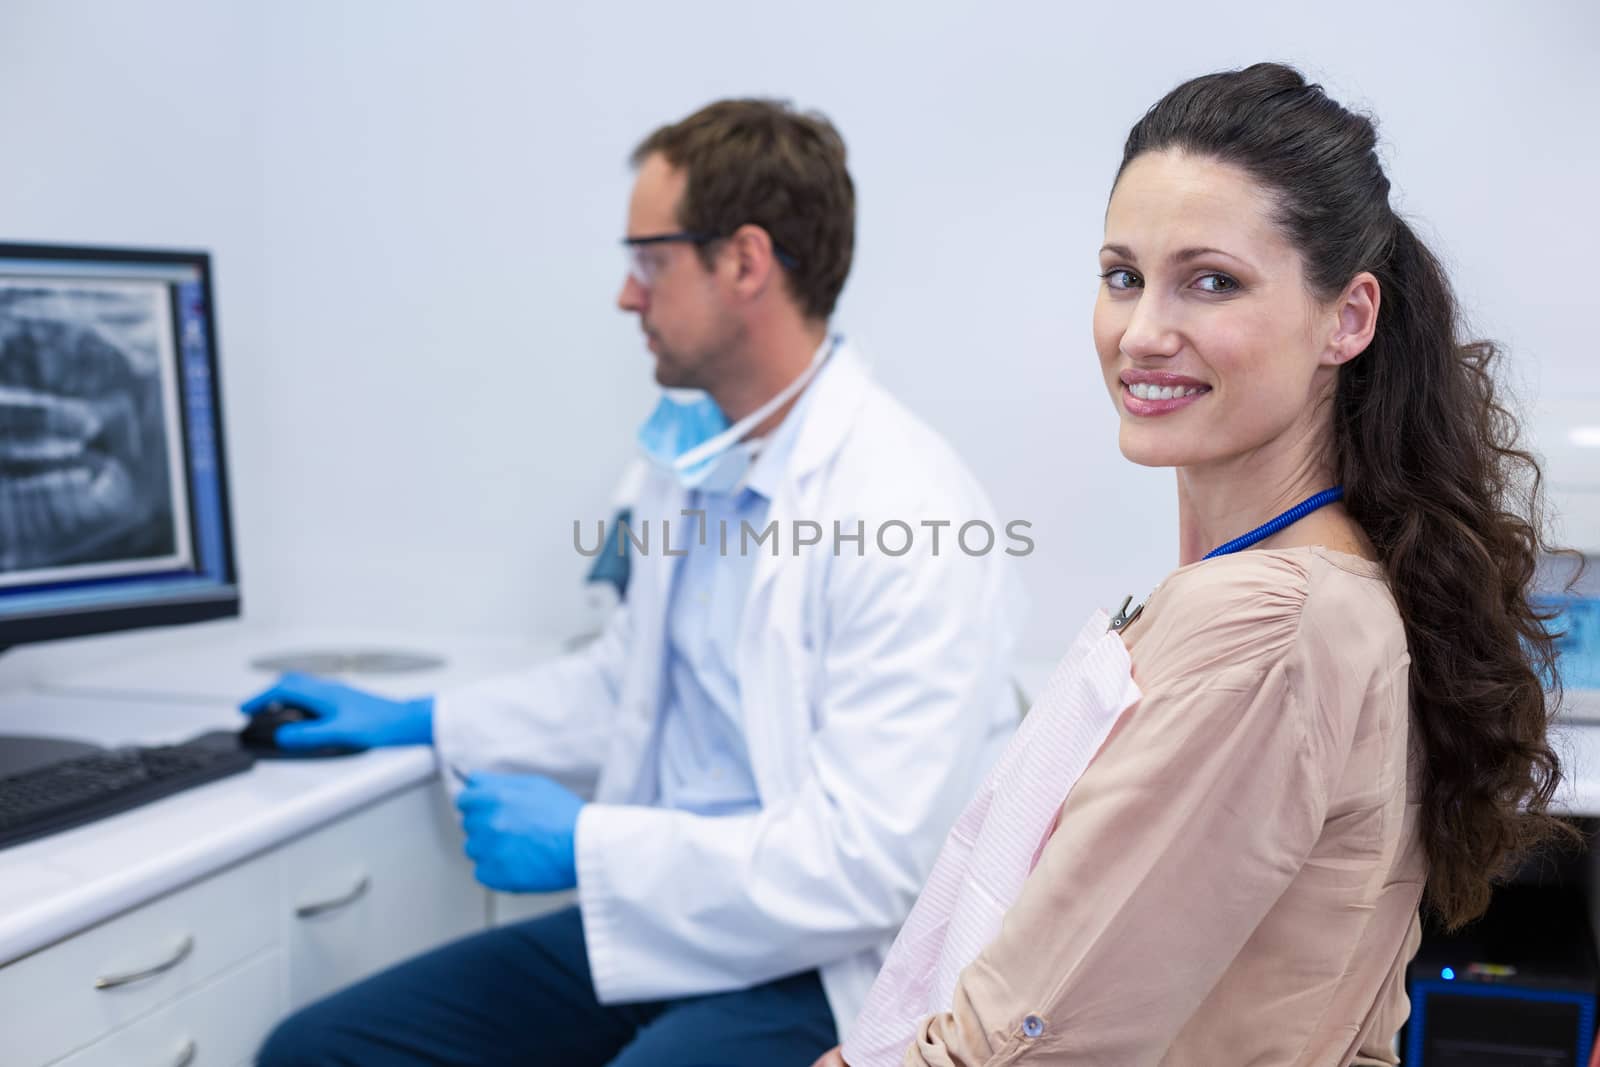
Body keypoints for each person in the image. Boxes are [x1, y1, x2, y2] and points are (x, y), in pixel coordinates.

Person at [826, 63, 1574, 1067]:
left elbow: (1024, 1045)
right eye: (1122, 276)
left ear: (1348, 318)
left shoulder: (1268, 626)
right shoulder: (1290, 583)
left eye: (1210, 281)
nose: (1140, 333)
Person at [251, 99, 1022, 1065]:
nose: (627, 294)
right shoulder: (690, 457)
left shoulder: (911, 508)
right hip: (672, 926)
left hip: (829, 963)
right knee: (322, 1050)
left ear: (744, 262)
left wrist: (585, 846)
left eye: (649, 260)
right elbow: (625, 684)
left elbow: (865, 867)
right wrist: (422, 720)